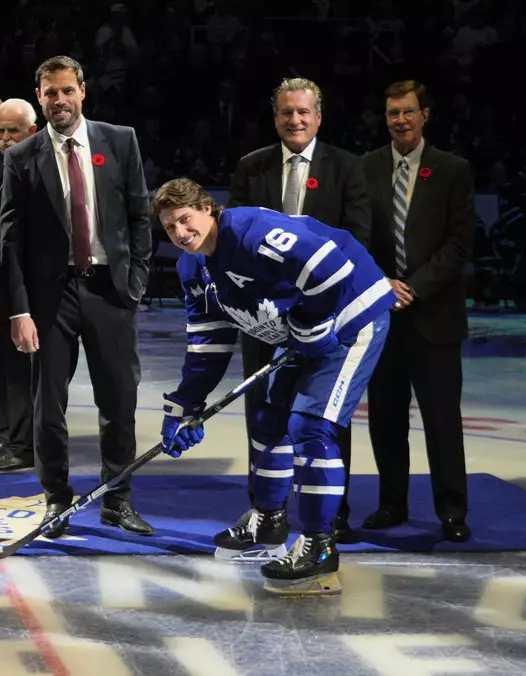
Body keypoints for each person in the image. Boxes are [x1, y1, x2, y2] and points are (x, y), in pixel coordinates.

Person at [153, 177, 395, 595]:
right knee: (268, 422)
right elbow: (207, 344)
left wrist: (311, 324)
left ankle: (320, 547)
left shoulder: (251, 232)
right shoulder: (191, 266)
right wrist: (185, 406)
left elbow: (330, 266)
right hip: (307, 331)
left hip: (353, 317)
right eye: (169, 227)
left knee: (311, 427)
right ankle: (268, 523)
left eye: (185, 220)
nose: (179, 233)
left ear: (208, 209)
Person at [1, 56, 153, 538]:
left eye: (67, 90)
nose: (59, 100)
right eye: (50, 92)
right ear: (40, 96)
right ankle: (56, 502)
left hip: (110, 289)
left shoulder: (119, 139)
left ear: (83, 91)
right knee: (49, 406)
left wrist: (137, 282)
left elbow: (139, 216)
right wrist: (20, 308)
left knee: (120, 400)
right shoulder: (21, 156)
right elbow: (10, 238)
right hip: (51, 297)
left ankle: (118, 499)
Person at [227, 77, 371, 543]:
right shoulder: (252, 167)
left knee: (322, 415)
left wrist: (309, 299)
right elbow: (235, 240)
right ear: (275, 117)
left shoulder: (347, 168)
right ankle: (264, 511)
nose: (295, 120)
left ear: (319, 116)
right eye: (287, 112)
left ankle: (332, 514)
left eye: (303, 112)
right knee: (265, 414)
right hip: (266, 317)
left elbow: (356, 242)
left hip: (326, 312)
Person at [360, 81, 474, 542]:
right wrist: (381, 285)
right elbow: (356, 237)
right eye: (392, 113)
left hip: (434, 316)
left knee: (442, 420)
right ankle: (392, 504)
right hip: (382, 314)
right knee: (386, 418)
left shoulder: (453, 170)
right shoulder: (364, 168)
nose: (400, 120)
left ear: (425, 115)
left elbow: (458, 244)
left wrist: (413, 287)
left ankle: (452, 511)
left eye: (408, 112)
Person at [0, 97, 39, 473]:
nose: (2, 138)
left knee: (23, 369)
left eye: (11, 131)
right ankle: (4, 431)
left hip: (31, 285)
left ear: (31, 132)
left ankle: (24, 444)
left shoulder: (39, 168)